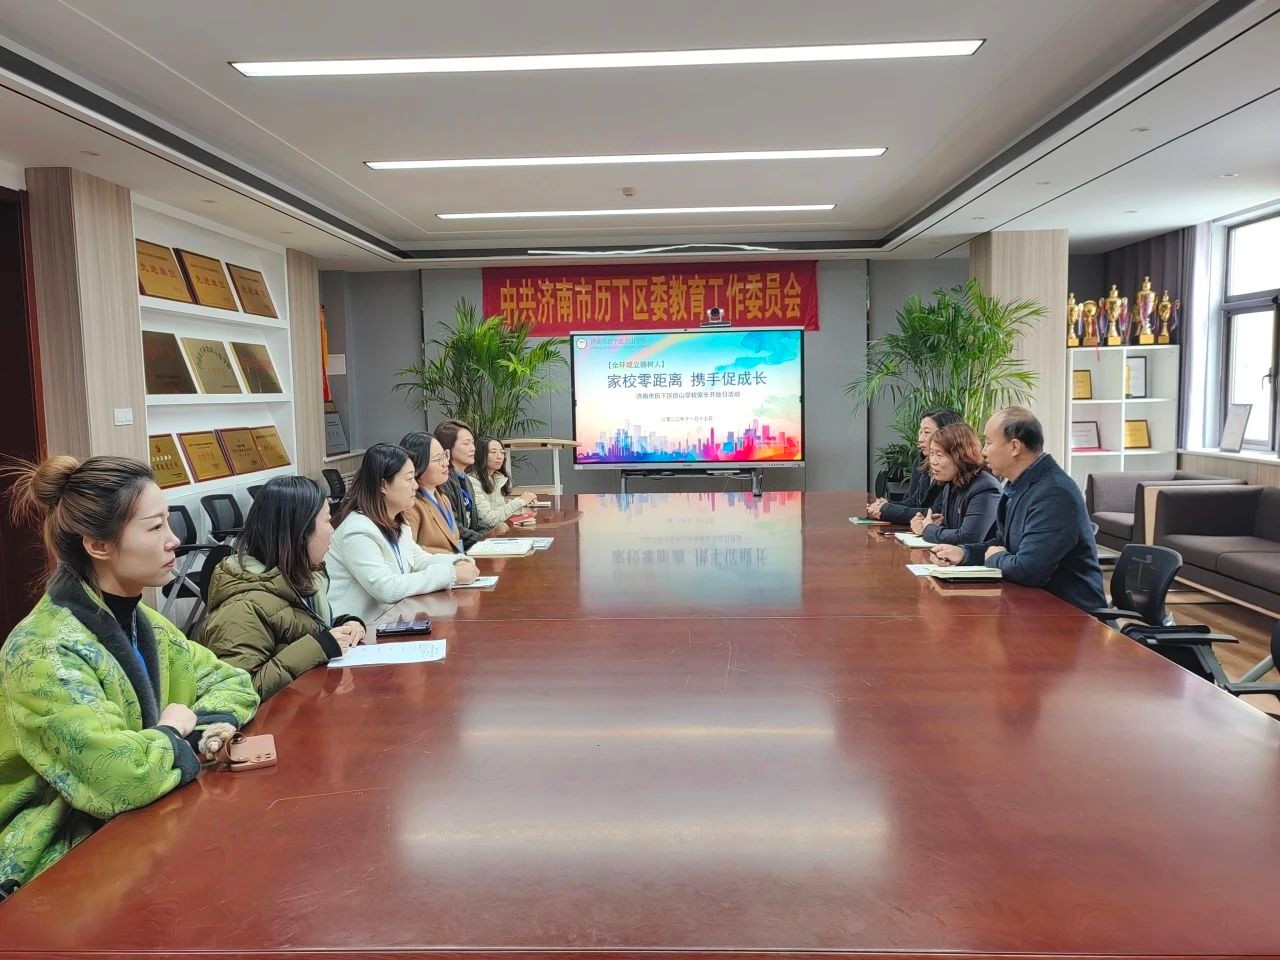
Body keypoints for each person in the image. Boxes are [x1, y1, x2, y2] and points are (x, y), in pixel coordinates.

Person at [0, 455, 258, 891]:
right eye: (155, 527)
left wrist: (194, 731)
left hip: (146, 826)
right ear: (98, 546)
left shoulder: (144, 623)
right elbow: (119, 777)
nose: (174, 540)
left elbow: (232, 682)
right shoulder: (42, 650)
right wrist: (173, 732)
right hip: (57, 860)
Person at [200, 477, 367, 700]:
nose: (332, 530)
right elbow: (237, 694)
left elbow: (298, 627)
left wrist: (342, 625)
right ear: (301, 532)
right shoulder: (241, 609)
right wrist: (317, 648)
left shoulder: (299, 578)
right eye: (328, 520)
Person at [931, 407, 1106, 612]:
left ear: (1014, 447)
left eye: (988, 442)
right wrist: (964, 553)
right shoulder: (1018, 485)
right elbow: (1002, 544)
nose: (984, 451)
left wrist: (995, 557)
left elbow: (1028, 570)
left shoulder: (1054, 493)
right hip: (1031, 606)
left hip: (1070, 615)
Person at [327, 443, 478, 622]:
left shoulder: (397, 521)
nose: (415, 485)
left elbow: (419, 560)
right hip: (358, 630)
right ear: (383, 485)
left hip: (390, 622)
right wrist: (451, 574)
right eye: (408, 479)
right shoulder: (357, 530)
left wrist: (457, 562)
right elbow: (387, 588)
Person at [867, 408, 964, 524]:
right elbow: (915, 501)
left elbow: (937, 514)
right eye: (920, 432)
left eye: (927, 432)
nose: (920, 439)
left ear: (947, 435)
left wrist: (887, 510)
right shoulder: (922, 461)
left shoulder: (956, 470)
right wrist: (885, 505)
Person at [912, 422, 1001, 546]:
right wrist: (926, 524)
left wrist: (929, 529)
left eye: (939, 455)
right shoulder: (950, 484)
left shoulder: (985, 488)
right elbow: (952, 529)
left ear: (961, 456)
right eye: (931, 454)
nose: (933, 461)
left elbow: (968, 538)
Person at [399, 432, 464, 554]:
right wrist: (450, 556)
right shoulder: (410, 506)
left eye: (444, 455)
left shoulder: (443, 498)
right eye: (438, 459)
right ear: (416, 466)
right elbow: (409, 551)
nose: (446, 462)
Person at [433, 419, 488, 549]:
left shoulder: (466, 479)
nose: (473, 448)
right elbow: (455, 528)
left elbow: (474, 522)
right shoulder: (443, 481)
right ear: (447, 447)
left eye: (473, 443)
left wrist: (492, 534)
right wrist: (485, 540)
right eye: (466, 443)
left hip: (473, 547)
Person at [469, 437, 537, 531]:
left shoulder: (497, 478)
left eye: (502, 452)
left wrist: (524, 502)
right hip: (484, 535)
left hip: (497, 532)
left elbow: (499, 508)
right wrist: (520, 501)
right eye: (493, 452)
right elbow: (490, 520)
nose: (499, 456)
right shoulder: (473, 481)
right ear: (480, 455)